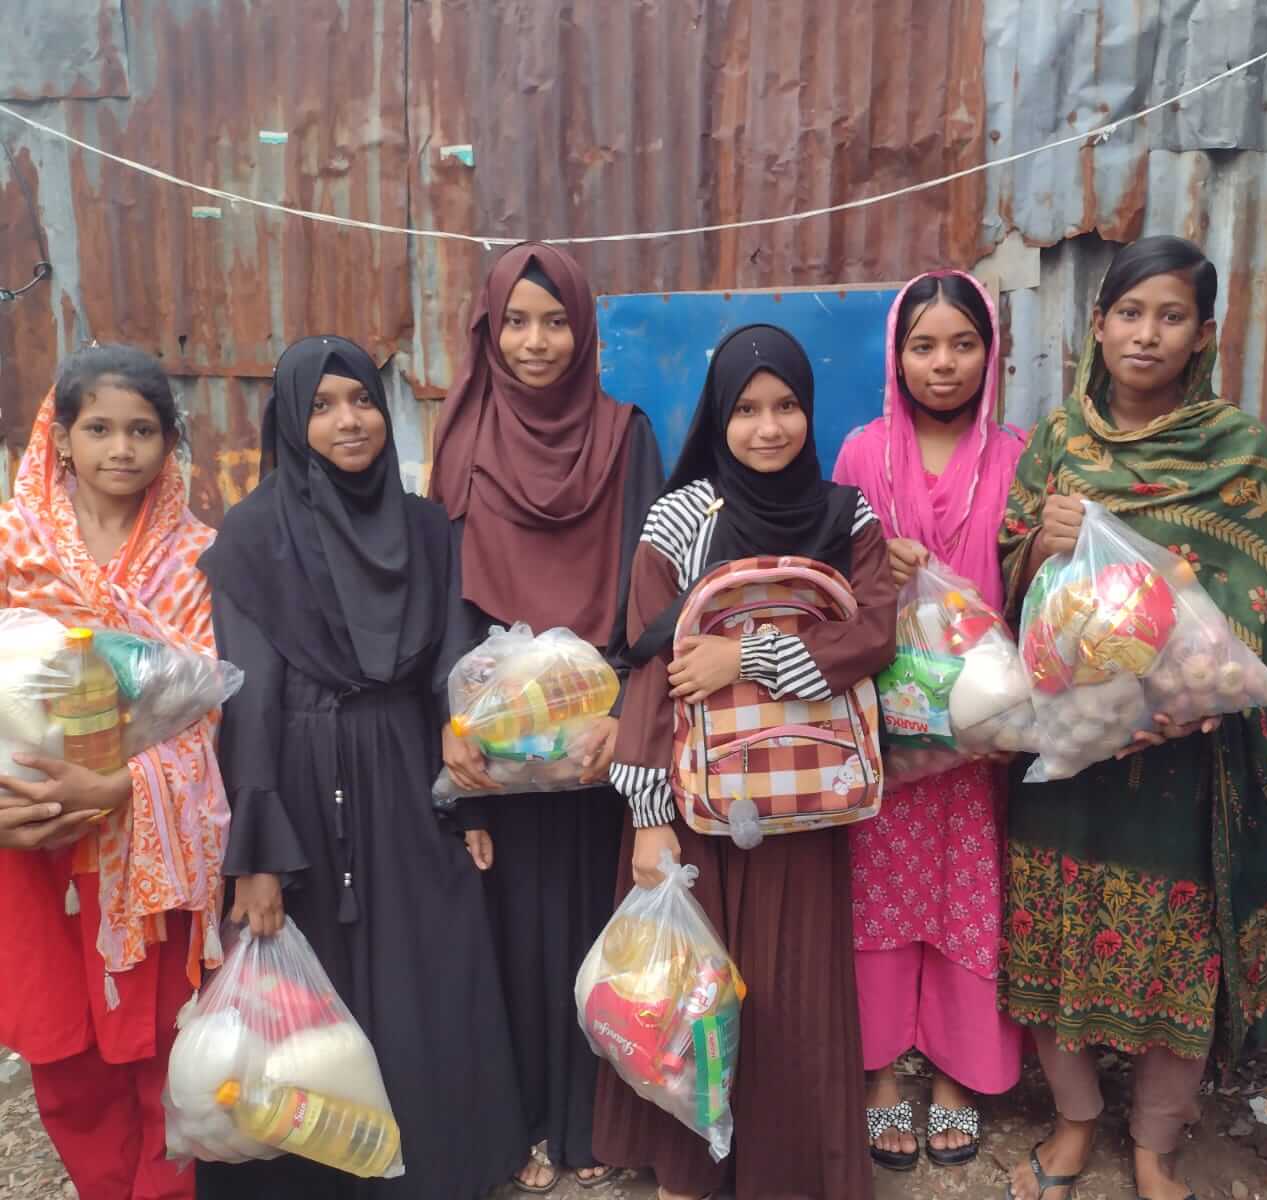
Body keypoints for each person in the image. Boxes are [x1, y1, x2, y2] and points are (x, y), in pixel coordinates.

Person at [997, 237, 1267, 1200]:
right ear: (1096, 324)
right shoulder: (1054, 446)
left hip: (1181, 763)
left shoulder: (1238, 453)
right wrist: (1040, 547)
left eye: (1171, 317)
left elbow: (1260, 598)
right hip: (1068, 754)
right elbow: (1011, 596)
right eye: (1129, 313)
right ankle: (1077, 1119)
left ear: (1204, 334)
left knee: (1176, 952)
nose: (1147, 334)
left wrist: (1187, 692)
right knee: (1055, 930)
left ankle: (1157, 1143)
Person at [195, 335, 524, 1200]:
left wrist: (467, 803)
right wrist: (259, 854)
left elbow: (451, 668)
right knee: (313, 986)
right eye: (324, 405)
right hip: (302, 781)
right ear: (293, 423)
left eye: (364, 401)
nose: (350, 421)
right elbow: (251, 695)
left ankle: (437, 1166)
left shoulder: (421, 525)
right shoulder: (255, 533)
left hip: (409, 773)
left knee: (433, 963)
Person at [595, 323, 897, 1200]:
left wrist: (751, 654)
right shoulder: (682, 518)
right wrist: (649, 822)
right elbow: (650, 663)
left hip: (806, 803)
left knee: (791, 1003)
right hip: (699, 807)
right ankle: (688, 1174)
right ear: (719, 416)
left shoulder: (849, 517)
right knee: (691, 1005)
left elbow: (872, 632)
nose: (771, 428)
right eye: (749, 409)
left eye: (789, 406)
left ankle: (787, 1174)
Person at [429, 242, 664, 1193]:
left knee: (600, 930)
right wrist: (451, 732)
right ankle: (525, 1121)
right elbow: (442, 602)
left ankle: (600, 1124)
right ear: (488, 331)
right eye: (515, 323)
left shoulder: (624, 433)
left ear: (585, 330)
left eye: (554, 321)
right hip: (492, 743)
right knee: (510, 937)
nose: (535, 342)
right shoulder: (462, 439)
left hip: (598, 737)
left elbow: (654, 593)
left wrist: (627, 717)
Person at [0, 345, 231, 1200]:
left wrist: (125, 786)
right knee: (64, 1062)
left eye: (143, 430)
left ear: (169, 445)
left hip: (150, 849)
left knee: (159, 1056)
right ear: (60, 438)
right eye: (98, 428)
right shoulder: (11, 546)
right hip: (32, 844)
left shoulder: (199, 559)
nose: (121, 448)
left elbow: (210, 708)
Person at [832, 269, 1026, 1169]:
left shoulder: (1021, 457)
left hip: (984, 732)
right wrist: (881, 567)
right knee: (875, 897)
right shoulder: (862, 454)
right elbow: (831, 586)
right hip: (889, 730)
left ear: (990, 353)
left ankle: (953, 1074)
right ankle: (880, 1075)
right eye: (922, 345)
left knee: (965, 899)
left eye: (961, 343)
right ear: (895, 357)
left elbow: (1035, 591)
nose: (942, 364)